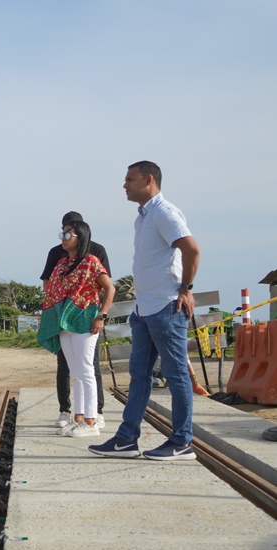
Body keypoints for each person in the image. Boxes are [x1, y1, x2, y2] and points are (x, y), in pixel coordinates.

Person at [90, 160, 200, 461]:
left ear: (148, 179)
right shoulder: (142, 217)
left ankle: (181, 441)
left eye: (130, 179)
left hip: (166, 306)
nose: (124, 185)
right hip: (144, 309)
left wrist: (186, 290)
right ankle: (126, 439)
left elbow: (192, 249)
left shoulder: (164, 212)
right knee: (139, 375)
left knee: (176, 375)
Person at [38, 219, 115, 437]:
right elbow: (51, 291)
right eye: (61, 234)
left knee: (85, 369)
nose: (62, 239)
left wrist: (102, 315)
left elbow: (110, 289)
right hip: (65, 323)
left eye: (67, 235)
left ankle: (91, 421)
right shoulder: (61, 264)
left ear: (80, 237)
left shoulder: (91, 261)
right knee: (75, 371)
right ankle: (78, 418)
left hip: (85, 321)